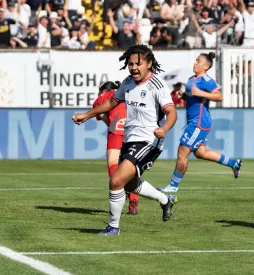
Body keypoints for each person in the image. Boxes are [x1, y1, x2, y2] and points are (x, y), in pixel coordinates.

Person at [72, 45, 178, 236]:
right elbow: (112, 101)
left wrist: (164, 128)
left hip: (149, 141)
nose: (133, 67)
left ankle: (113, 227)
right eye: (130, 64)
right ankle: (165, 200)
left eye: (138, 64)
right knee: (129, 183)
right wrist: (87, 115)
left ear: (149, 64)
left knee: (116, 180)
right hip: (130, 140)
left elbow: (171, 112)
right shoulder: (128, 82)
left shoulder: (157, 86)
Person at [158, 53, 242, 193]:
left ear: (206, 66)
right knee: (200, 153)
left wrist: (201, 94)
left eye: (198, 61)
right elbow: (193, 96)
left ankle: (173, 186)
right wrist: (183, 95)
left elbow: (219, 96)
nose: (195, 63)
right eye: (195, 60)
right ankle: (234, 163)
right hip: (195, 121)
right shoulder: (191, 79)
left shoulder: (207, 80)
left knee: (182, 152)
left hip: (198, 123)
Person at [92, 81, 140, 215]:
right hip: (134, 131)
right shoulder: (129, 93)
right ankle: (134, 199)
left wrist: (108, 119)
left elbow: (99, 108)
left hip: (117, 127)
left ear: (102, 91)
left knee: (113, 162)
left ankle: (121, 191)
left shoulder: (107, 95)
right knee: (130, 166)